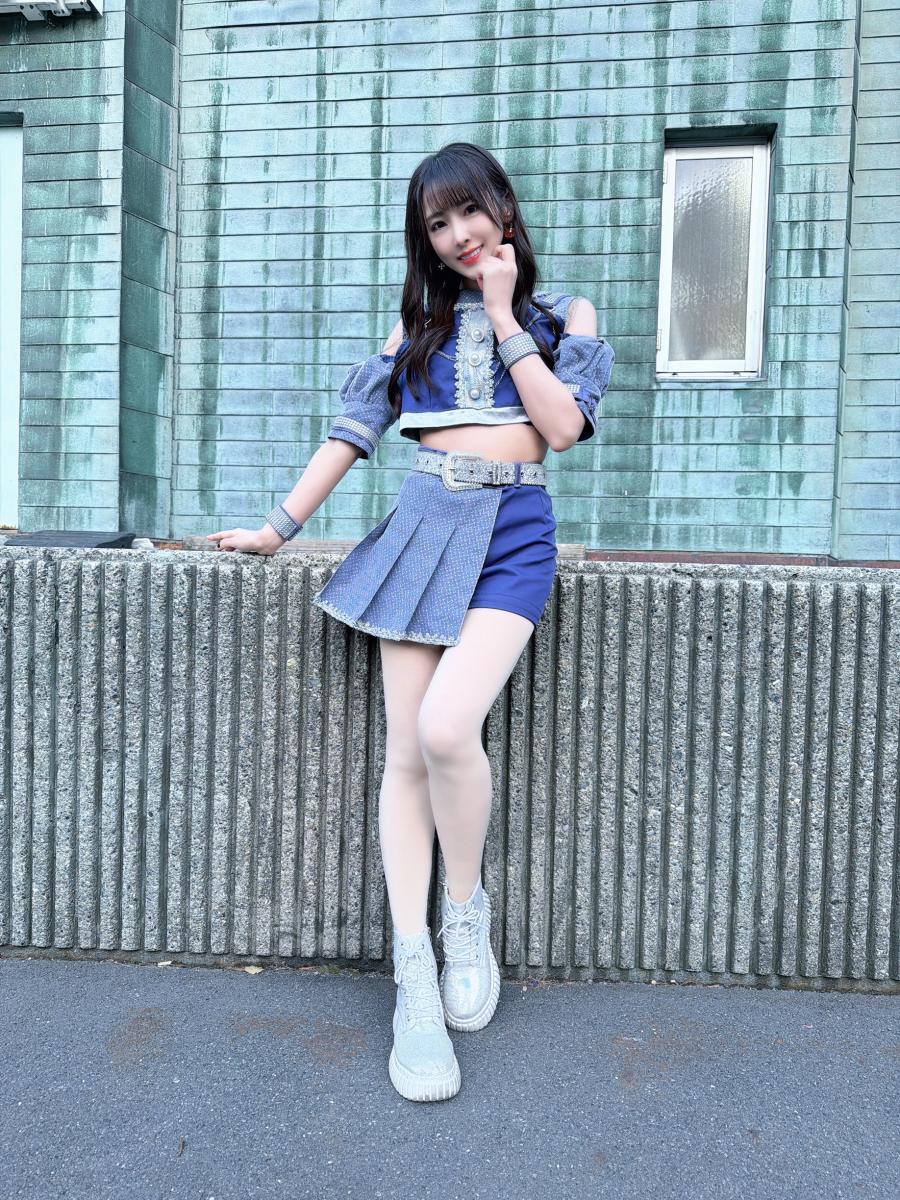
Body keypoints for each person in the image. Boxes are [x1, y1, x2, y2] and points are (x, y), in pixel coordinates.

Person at [206, 142, 614, 1103]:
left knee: (446, 729)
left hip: (513, 533)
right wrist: (274, 529)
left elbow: (562, 429)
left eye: (469, 211)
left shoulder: (566, 317)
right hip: (424, 527)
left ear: (502, 208)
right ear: (423, 240)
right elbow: (351, 434)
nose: (459, 233)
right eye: (438, 223)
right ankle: (414, 973)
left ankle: (463, 914)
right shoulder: (415, 330)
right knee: (404, 754)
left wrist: (506, 317)